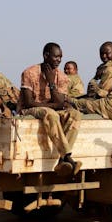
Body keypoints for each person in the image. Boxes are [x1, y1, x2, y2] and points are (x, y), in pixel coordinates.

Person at [20, 42, 82, 176]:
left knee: (75, 114)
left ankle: (62, 161)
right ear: (46, 55)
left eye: (60, 57)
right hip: (30, 110)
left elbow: (60, 103)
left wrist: (51, 82)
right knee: (51, 113)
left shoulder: (62, 77)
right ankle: (67, 157)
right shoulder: (29, 73)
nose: (59, 60)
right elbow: (28, 102)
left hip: (46, 108)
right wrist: (54, 106)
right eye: (56, 57)